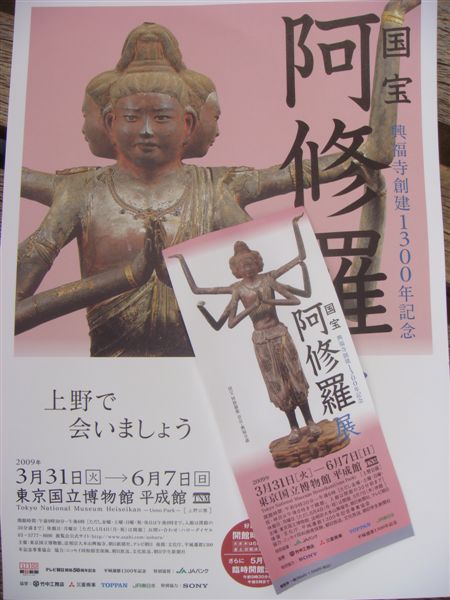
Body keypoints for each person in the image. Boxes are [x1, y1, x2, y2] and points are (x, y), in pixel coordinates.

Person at [16, 0, 420, 356]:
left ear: (189, 123)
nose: (146, 130)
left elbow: (374, 153)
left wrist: (392, 19)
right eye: (131, 117)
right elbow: (11, 313)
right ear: (109, 122)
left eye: (162, 117)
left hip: (208, 387)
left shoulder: (217, 189)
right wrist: (127, 277)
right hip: (110, 385)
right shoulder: (80, 192)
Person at [169, 216, 320, 444]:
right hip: (261, 340)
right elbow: (198, 291)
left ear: (258, 264)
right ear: (236, 270)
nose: (248, 268)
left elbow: (300, 257)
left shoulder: (269, 279)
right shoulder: (237, 290)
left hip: (280, 334)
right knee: (277, 383)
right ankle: (294, 427)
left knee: (295, 376)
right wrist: (181, 261)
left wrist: (295, 225)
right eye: (243, 266)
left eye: (251, 263)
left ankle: (310, 420)